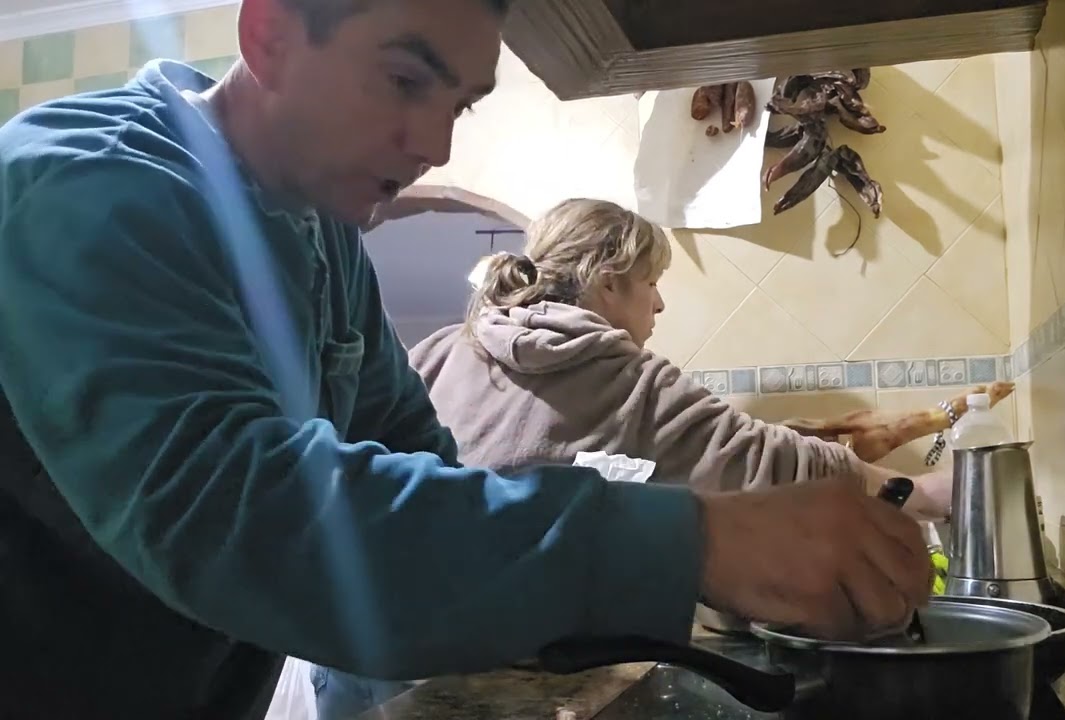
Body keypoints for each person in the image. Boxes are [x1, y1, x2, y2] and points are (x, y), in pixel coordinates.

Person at [0, 1, 930, 719]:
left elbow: (413, 454)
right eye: (407, 81)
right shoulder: (90, 187)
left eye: (458, 105)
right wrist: (690, 539)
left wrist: (549, 591)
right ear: (270, 34)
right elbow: (232, 508)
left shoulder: (322, 240)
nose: (435, 145)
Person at [311, 197, 964, 717]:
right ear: (608, 280)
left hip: (352, 656)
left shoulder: (440, 349)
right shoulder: (618, 373)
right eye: (650, 282)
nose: (658, 302)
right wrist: (922, 492)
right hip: (466, 679)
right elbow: (765, 460)